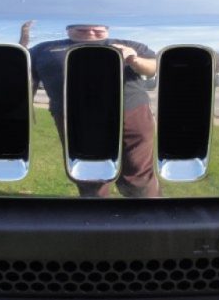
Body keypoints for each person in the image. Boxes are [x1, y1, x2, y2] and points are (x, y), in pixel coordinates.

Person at [28, 24, 161, 198]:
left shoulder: (130, 45)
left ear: (107, 29)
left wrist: (134, 59)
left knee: (138, 170)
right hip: (74, 119)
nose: (91, 31)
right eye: (82, 28)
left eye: (97, 29)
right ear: (68, 29)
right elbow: (27, 77)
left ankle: (146, 209)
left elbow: (153, 68)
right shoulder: (43, 49)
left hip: (130, 113)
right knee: (88, 172)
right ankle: (95, 209)